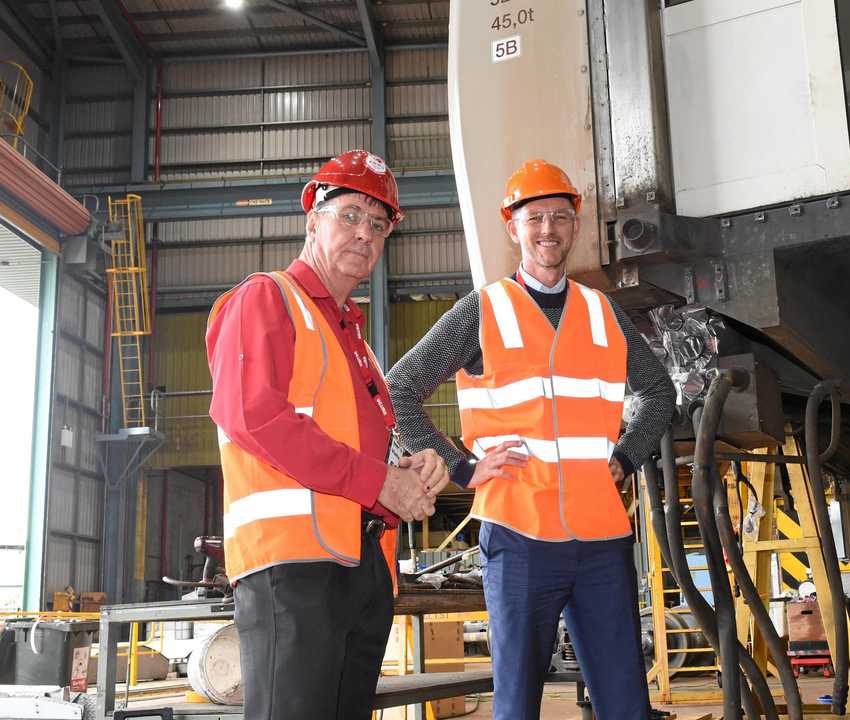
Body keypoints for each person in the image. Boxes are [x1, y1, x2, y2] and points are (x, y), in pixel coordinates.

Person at [386, 159, 675, 718]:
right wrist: (464, 469)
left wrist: (625, 454)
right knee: (517, 704)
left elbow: (659, 394)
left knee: (627, 706)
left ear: (575, 225)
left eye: (560, 217)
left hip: (601, 542)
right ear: (512, 226)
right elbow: (398, 391)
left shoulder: (603, 312)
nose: (548, 229)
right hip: (519, 536)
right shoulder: (482, 310)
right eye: (535, 217)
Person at [206, 149, 450, 720]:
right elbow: (254, 417)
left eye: (379, 223)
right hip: (291, 568)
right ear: (312, 219)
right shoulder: (266, 298)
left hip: (360, 565)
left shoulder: (356, 342)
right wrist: (379, 482)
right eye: (350, 215)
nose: (364, 233)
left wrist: (411, 471)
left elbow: (360, 447)